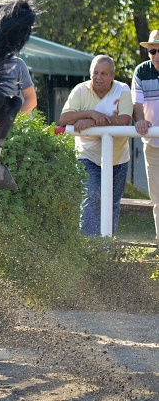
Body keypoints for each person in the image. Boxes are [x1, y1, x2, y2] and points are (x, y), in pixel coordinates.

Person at [59, 55, 132, 236]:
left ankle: (106, 247)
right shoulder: (80, 90)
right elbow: (64, 119)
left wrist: (92, 122)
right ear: (90, 74)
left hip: (118, 155)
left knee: (113, 201)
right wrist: (91, 114)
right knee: (93, 195)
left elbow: (124, 120)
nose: (98, 77)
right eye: (95, 73)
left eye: (104, 74)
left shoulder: (122, 89)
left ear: (113, 75)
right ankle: (88, 246)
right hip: (87, 154)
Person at [132, 29, 159, 243]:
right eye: (152, 51)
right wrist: (140, 119)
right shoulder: (141, 71)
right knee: (157, 197)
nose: (156, 55)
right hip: (153, 145)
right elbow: (136, 103)